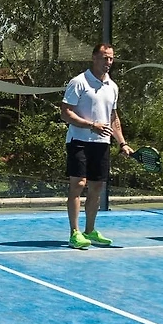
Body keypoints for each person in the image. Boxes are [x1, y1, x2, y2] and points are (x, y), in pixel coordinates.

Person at [59, 43, 134, 250]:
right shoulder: (79, 82)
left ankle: (90, 231)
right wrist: (91, 125)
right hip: (78, 141)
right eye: (104, 58)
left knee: (97, 187)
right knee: (78, 184)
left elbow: (113, 117)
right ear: (94, 58)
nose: (108, 62)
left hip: (102, 144)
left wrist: (122, 143)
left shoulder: (113, 86)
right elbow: (65, 113)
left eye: (111, 58)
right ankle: (74, 233)